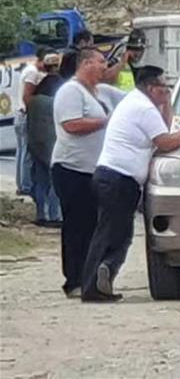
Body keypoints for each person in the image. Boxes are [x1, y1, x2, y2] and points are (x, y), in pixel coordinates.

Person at [81, 66, 180, 302]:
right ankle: (97, 280)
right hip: (118, 178)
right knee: (111, 233)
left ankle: (103, 275)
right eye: (163, 87)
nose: (166, 91)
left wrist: (166, 104)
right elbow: (165, 142)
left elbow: (163, 129)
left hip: (117, 178)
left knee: (118, 232)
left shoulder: (139, 104)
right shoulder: (142, 107)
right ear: (150, 87)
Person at [52, 48, 126, 298]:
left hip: (96, 169)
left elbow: (130, 101)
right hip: (72, 168)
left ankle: (91, 276)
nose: (105, 66)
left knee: (95, 224)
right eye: (101, 62)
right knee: (77, 225)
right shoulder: (70, 92)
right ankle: (73, 279)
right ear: (85, 64)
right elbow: (71, 125)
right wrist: (106, 121)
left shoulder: (101, 92)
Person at [25, 52, 63, 227]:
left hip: (36, 142)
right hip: (53, 143)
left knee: (40, 179)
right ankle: (55, 216)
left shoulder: (36, 92)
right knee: (55, 180)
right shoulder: (62, 90)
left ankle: (41, 213)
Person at [14, 47, 49, 197]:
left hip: (20, 115)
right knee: (27, 153)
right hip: (26, 115)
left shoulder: (29, 70)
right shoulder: (32, 72)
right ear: (41, 60)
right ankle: (26, 185)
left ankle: (22, 183)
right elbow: (27, 96)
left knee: (22, 151)